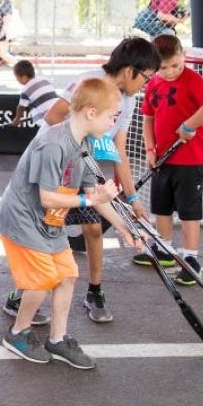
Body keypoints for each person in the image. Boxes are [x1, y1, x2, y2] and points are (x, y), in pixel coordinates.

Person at [0, 78, 142, 369]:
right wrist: (91, 201)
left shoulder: (85, 144)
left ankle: (58, 339)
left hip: (49, 223)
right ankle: (17, 333)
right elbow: (49, 198)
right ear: (91, 112)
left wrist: (124, 228)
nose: (115, 121)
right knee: (41, 280)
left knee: (67, 275)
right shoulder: (53, 144)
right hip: (24, 220)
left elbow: (95, 194)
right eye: (112, 116)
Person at [33, 36, 160, 324]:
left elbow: (119, 150)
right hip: (54, 164)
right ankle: (23, 293)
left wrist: (133, 198)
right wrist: (81, 143)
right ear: (130, 71)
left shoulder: (125, 102)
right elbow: (54, 117)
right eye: (147, 78)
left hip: (81, 166)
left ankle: (94, 291)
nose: (146, 85)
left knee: (92, 225)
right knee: (46, 231)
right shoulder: (87, 83)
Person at [136, 34, 203, 280]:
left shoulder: (192, 79)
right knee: (161, 207)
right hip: (163, 158)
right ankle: (164, 249)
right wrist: (150, 149)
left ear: (183, 56)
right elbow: (148, 117)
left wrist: (189, 125)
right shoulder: (153, 83)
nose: (171, 72)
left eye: (176, 65)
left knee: (188, 210)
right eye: (163, 68)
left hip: (191, 159)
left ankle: (190, 256)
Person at [10, 60, 61, 128]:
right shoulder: (44, 80)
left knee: (31, 105)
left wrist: (17, 119)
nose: (17, 80)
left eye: (17, 78)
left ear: (24, 78)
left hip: (47, 122)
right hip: (59, 113)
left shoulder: (25, 91)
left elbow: (21, 108)